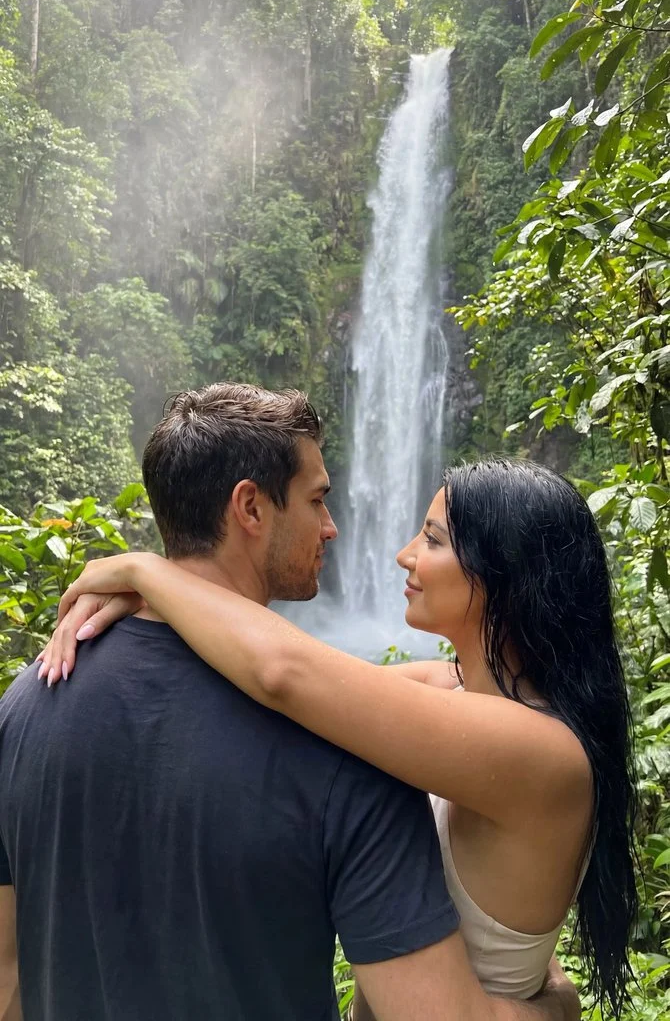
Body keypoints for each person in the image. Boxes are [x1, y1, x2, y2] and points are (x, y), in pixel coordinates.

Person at [0, 384, 579, 1021]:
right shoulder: (348, 750)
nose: (336, 528)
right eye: (318, 500)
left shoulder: (25, 705)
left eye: (433, 539)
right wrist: (556, 1009)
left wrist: (149, 575)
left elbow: (8, 980)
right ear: (249, 507)